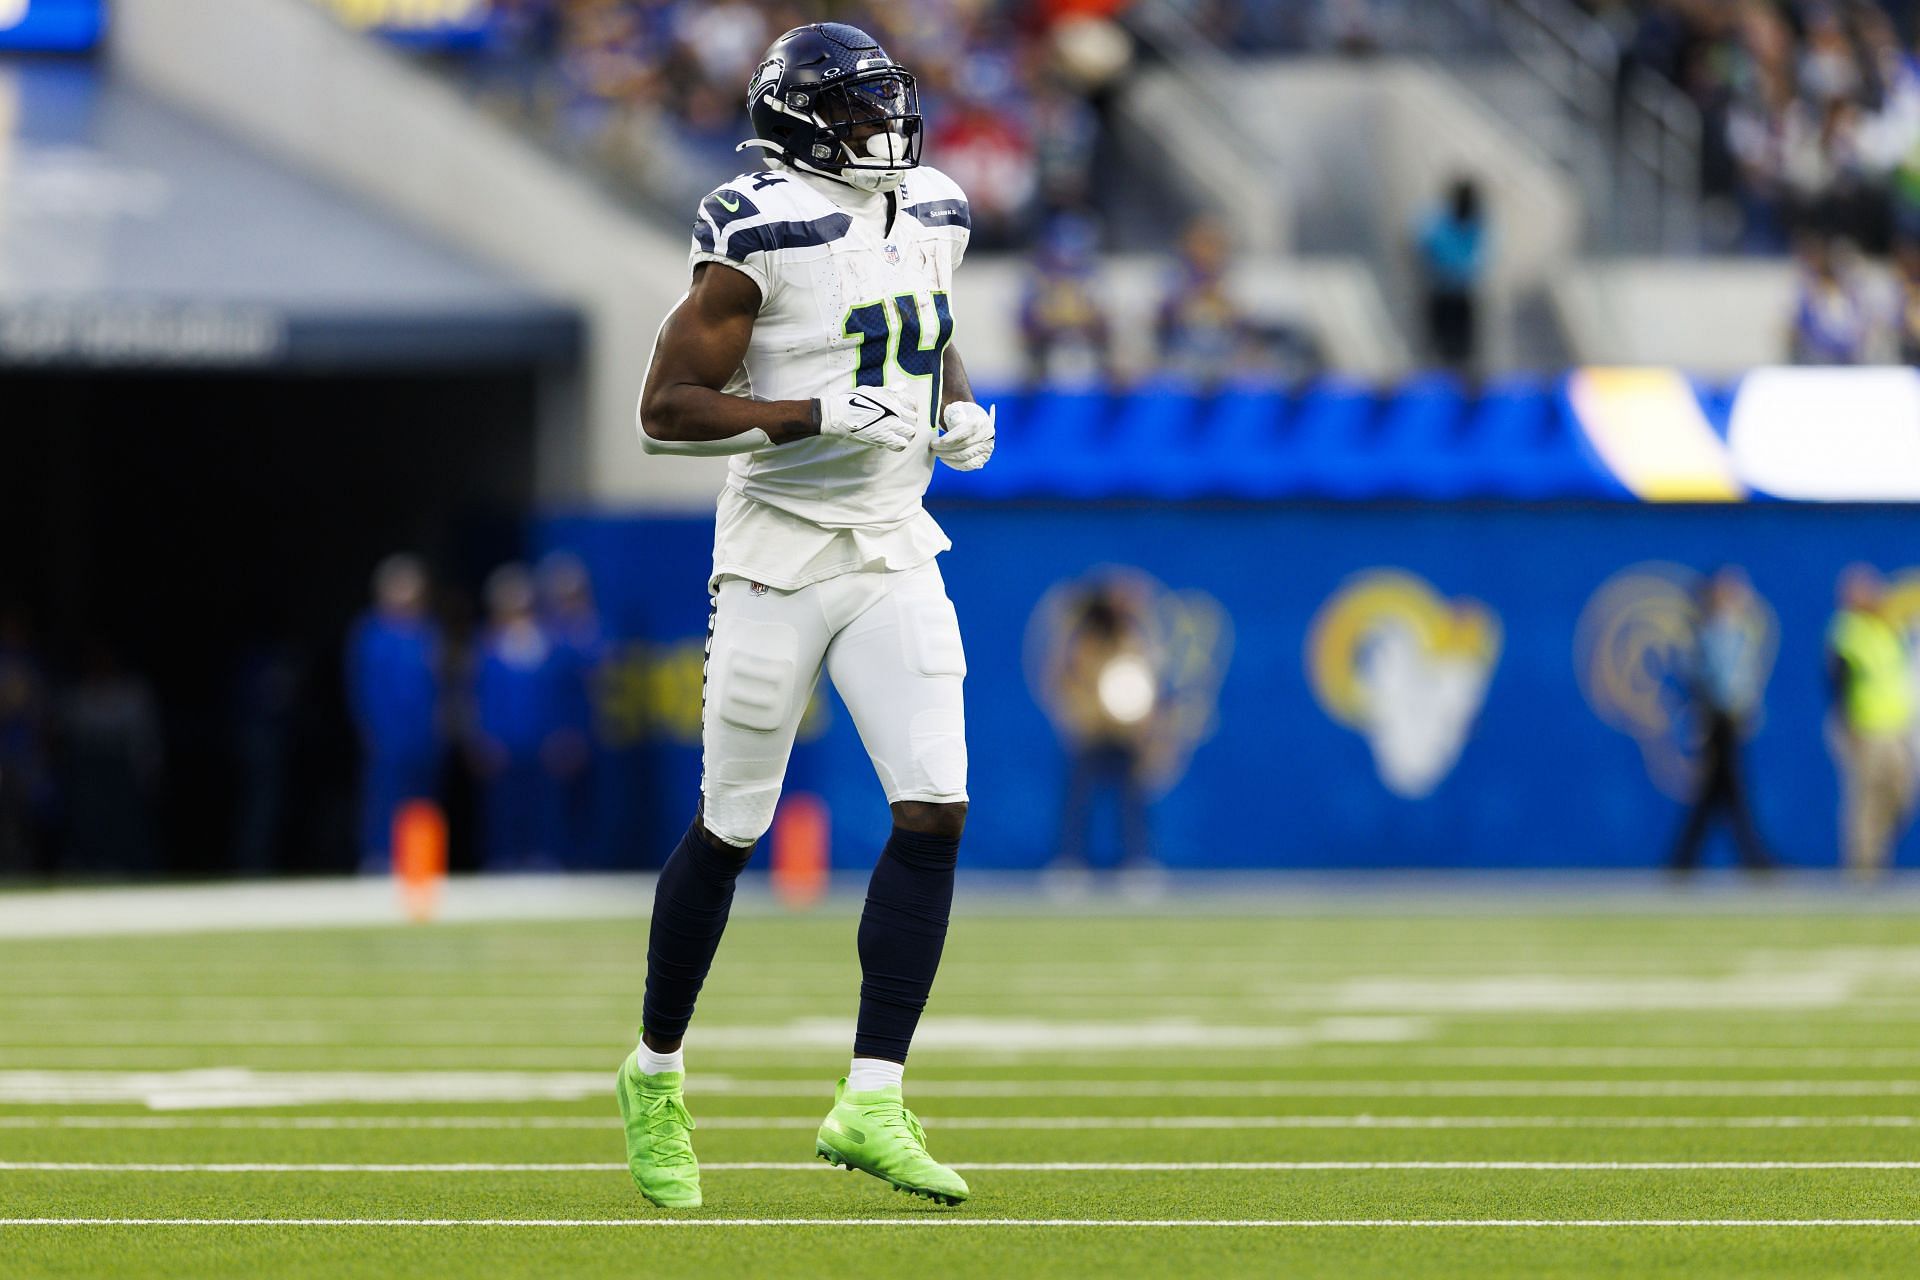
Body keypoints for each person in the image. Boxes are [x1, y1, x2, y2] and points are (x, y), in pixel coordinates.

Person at [620, 23, 995, 1210]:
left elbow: (923, 326)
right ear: (795, 120)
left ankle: (871, 1096)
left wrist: (960, 408)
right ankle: (655, 1072)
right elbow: (666, 409)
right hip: (779, 554)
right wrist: (810, 414)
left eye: (885, 99)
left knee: (934, 806)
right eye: (853, 106)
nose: (880, 125)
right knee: (731, 828)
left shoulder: (933, 204)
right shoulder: (754, 221)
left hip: (893, 543)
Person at [1047, 582, 1158, 881]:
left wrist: (1142, 725)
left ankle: (1136, 864)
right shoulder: (1083, 639)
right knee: (1079, 800)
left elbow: (1141, 681)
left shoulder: (1130, 638)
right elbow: (1064, 675)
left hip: (1123, 732)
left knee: (1130, 801)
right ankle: (1071, 864)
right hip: (1090, 730)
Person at [1668, 567, 1775, 875]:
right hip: (1718, 721)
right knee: (1727, 793)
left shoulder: (1735, 630)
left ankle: (1686, 860)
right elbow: (1708, 680)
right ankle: (1755, 859)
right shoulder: (1709, 632)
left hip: (1729, 719)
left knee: (1718, 794)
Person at [345, 555, 443, 875]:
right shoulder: (371, 633)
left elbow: (440, 685)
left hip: (423, 732)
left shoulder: (427, 632)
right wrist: (370, 726)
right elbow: (363, 685)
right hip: (387, 732)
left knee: (421, 801)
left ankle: (419, 860)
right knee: (385, 797)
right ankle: (380, 856)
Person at [469, 563, 564, 873]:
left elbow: (555, 697)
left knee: (541, 803)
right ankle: (504, 858)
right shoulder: (488, 646)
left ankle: (541, 855)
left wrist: (557, 734)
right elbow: (481, 697)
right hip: (503, 741)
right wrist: (484, 736)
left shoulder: (545, 644)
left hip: (539, 740)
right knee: (503, 806)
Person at [1826, 564, 1916, 878]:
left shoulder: (1886, 628)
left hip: (1896, 727)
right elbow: (1837, 683)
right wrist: (1847, 725)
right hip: (1866, 728)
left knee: (1900, 794)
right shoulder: (1847, 631)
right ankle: (1863, 869)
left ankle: (1876, 849)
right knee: (1864, 798)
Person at [1416, 176, 1488, 372]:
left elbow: (1480, 258)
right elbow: (1424, 249)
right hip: (1441, 294)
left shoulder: (1477, 225)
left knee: (1463, 349)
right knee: (1438, 346)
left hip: (1461, 295)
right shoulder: (1437, 222)